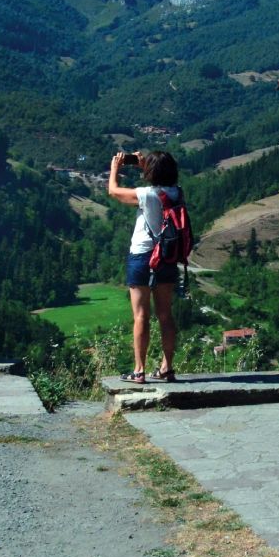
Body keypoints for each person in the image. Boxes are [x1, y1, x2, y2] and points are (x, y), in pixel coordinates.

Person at [108, 148, 183, 384]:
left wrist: (115, 169)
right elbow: (160, 186)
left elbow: (114, 191)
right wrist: (146, 166)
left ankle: (139, 370)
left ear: (151, 172)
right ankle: (167, 368)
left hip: (143, 256)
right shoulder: (177, 193)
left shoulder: (145, 195)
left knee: (141, 315)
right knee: (165, 314)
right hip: (168, 257)